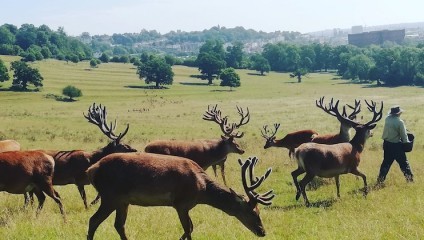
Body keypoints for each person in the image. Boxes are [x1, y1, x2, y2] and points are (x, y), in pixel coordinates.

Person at [377, 105, 413, 184]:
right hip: (396, 146)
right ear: (398, 113)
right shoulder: (400, 122)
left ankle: (380, 181)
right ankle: (410, 181)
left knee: (386, 163)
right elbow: (404, 137)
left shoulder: (387, 119)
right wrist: (407, 143)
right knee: (404, 164)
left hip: (386, 144)